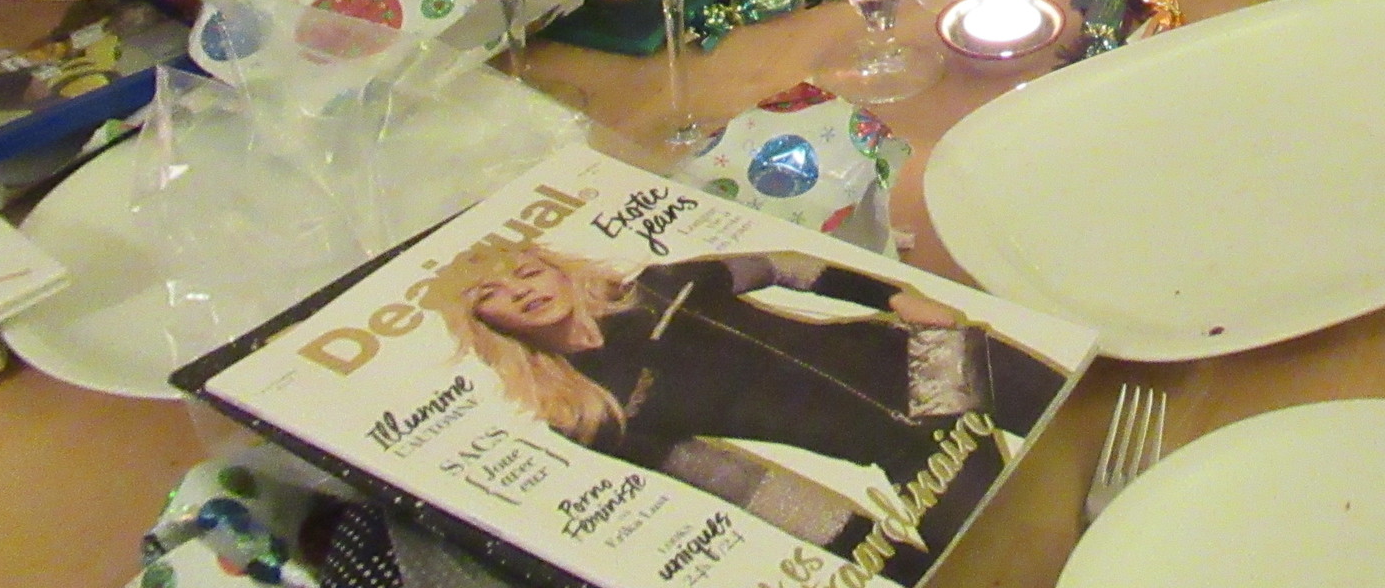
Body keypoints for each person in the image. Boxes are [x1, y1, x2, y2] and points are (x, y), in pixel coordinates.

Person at [436, 242, 1065, 583]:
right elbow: (747, 486)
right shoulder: (591, 413)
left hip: (930, 360)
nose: (522, 290)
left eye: (526, 271)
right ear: (484, 322)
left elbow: (783, 266)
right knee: (1026, 572)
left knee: (1099, 433)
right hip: (915, 456)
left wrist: (894, 296)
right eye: (493, 293)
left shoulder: (664, 282)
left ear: (556, 269)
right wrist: (892, 561)